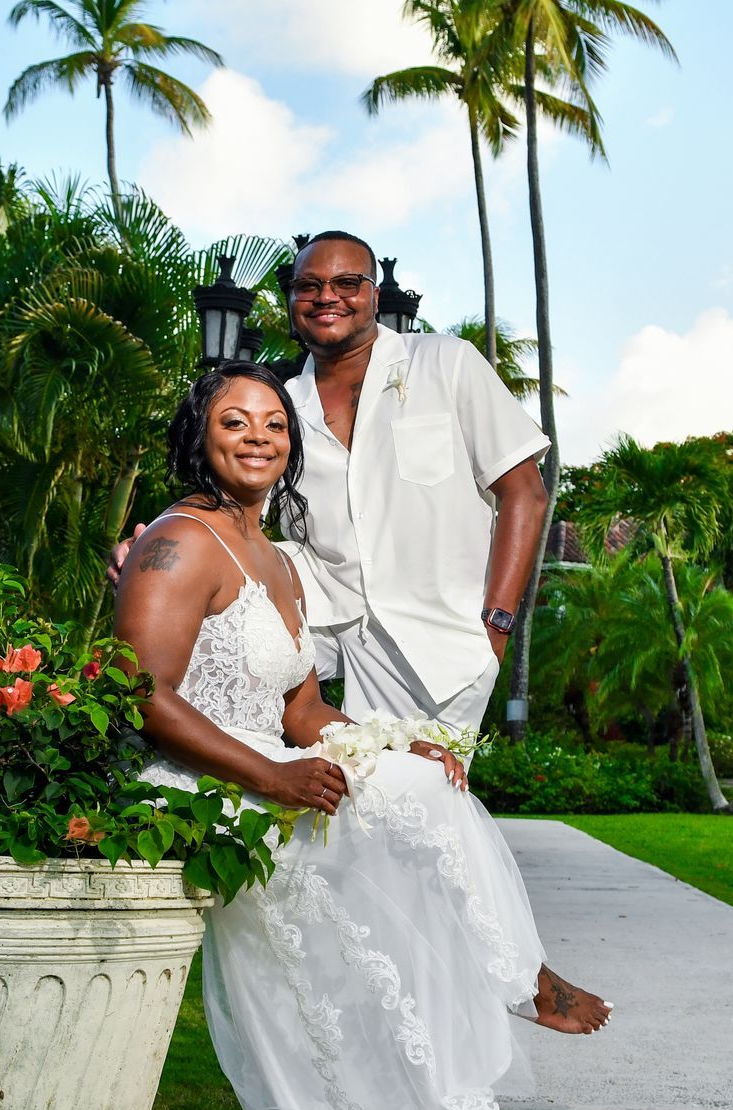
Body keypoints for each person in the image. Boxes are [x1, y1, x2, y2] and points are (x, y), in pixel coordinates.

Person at [115, 361, 610, 1110]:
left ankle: (489, 1013)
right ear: (199, 434)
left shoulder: (272, 559)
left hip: (264, 758)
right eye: (235, 421)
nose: (259, 438)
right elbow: (144, 696)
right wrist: (273, 781)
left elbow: (304, 713)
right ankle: (446, 1070)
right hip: (195, 776)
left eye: (274, 424)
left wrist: (395, 745)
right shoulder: (176, 541)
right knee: (363, 900)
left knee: (427, 786)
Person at [113, 229, 550, 735]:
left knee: (415, 797)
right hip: (320, 621)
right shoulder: (284, 405)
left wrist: (495, 625)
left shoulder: (445, 364)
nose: (327, 296)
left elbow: (525, 493)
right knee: (225, 704)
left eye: (347, 282)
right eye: (309, 285)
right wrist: (159, 549)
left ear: (374, 295)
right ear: (292, 297)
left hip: (442, 645)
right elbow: (232, 509)